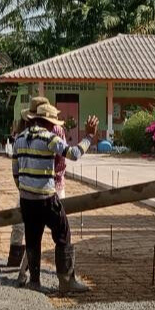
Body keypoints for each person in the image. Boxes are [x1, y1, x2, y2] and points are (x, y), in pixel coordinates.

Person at [12, 101, 97, 293]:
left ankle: (34, 282)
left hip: (27, 200)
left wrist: (25, 189)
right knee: (63, 234)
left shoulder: (20, 138)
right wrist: (89, 137)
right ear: (47, 122)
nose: (54, 126)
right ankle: (66, 280)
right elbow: (73, 154)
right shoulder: (49, 138)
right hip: (46, 199)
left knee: (33, 239)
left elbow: (15, 172)